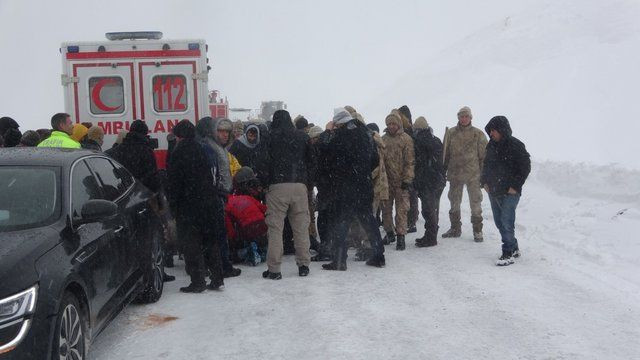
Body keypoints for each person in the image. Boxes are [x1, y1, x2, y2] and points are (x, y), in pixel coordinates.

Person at [321, 108, 386, 270]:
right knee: (369, 221)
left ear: (339, 123)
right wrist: (362, 172)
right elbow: (375, 160)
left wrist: (328, 132)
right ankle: (379, 255)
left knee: (341, 223)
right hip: (364, 185)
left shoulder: (340, 137)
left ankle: (339, 260)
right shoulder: (365, 134)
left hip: (346, 187)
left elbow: (326, 153)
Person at [167, 120, 225, 292]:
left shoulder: (179, 152)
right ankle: (217, 277)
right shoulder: (202, 149)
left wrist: (173, 205)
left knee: (191, 244)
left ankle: (198, 281)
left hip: (189, 206)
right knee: (210, 242)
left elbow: (175, 182)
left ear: (179, 136)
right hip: (208, 202)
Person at [262, 110, 313, 280]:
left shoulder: (269, 137)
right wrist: (307, 183)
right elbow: (311, 161)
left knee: (276, 229)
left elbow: (262, 163)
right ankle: (304, 265)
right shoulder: (302, 137)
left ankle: (274, 269)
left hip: (277, 186)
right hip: (299, 186)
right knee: (301, 227)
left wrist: (264, 183)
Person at [195, 117, 242, 278]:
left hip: (221, 193)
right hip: (216, 195)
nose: (224, 135)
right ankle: (222, 266)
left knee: (218, 233)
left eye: (226, 132)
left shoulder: (219, 148)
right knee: (218, 233)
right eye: (220, 131)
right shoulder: (210, 147)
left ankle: (220, 265)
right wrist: (219, 190)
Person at [481, 116, 531, 266]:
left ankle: (507, 252)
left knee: (506, 221)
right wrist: (484, 181)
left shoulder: (516, 145)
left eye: (494, 130)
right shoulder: (491, 146)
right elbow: (486, 165)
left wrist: (515, 186)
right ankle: (514, 247)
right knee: (499, 222)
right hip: (493, 190)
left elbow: (525, 167)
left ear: (502, 130)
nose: (491, 134)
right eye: (490, 131)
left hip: (510, 192)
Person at [442, 106, 488, 242]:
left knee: (476, 203)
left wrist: (483, 175)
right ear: (458, 117)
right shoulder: (450, 133)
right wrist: (443, 171)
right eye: (461, 116)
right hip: (455, 174)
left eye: (466, 116)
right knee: (454, 201)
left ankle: (477, 231)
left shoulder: (478, 134)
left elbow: (484, 156)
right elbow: (445, 155)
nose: (464, 119)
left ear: (470, 118)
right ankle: (455, 228)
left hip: (473, 175)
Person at [381, 111, 415, 250]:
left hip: (401, 182)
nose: (391, 126)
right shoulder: (383, 140)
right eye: (389, 124)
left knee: (401, 210)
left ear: (399, 124)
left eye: (394, 123)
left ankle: (401, 236)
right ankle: (389, 232)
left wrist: (407, 179)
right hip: (386, 182)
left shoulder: (406, 139)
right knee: (386, 210)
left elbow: (410, 161)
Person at [412, 116, 446, 247]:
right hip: (437, 180)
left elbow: (418, 163)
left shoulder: (418, 141)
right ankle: (431, 234)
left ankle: (431, 237)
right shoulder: (435, 140)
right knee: (432, 208)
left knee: (428, 209)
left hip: (426, 181)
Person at [225, 167, 268, 266]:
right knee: (264, 248)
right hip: (262, 225)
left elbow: (229, 226)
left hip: (246, 228)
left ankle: (247, 251)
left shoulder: (228, 204)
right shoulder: (248, 197)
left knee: (244, 241)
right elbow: (264, 209)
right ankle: (262, 251)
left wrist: (232, 238)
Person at [108, 120, 160, 192]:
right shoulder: (146, 151)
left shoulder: (117, 150)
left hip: (123, 191)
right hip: (142, 193)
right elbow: (152, 177)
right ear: (145, 133)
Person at [398, 105, 419, 234]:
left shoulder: (410, 131)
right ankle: (410, 220)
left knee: (411, 194)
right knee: (409, 195)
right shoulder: (407, 130)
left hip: (410, 167)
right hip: (403, 168)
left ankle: (411, 222)